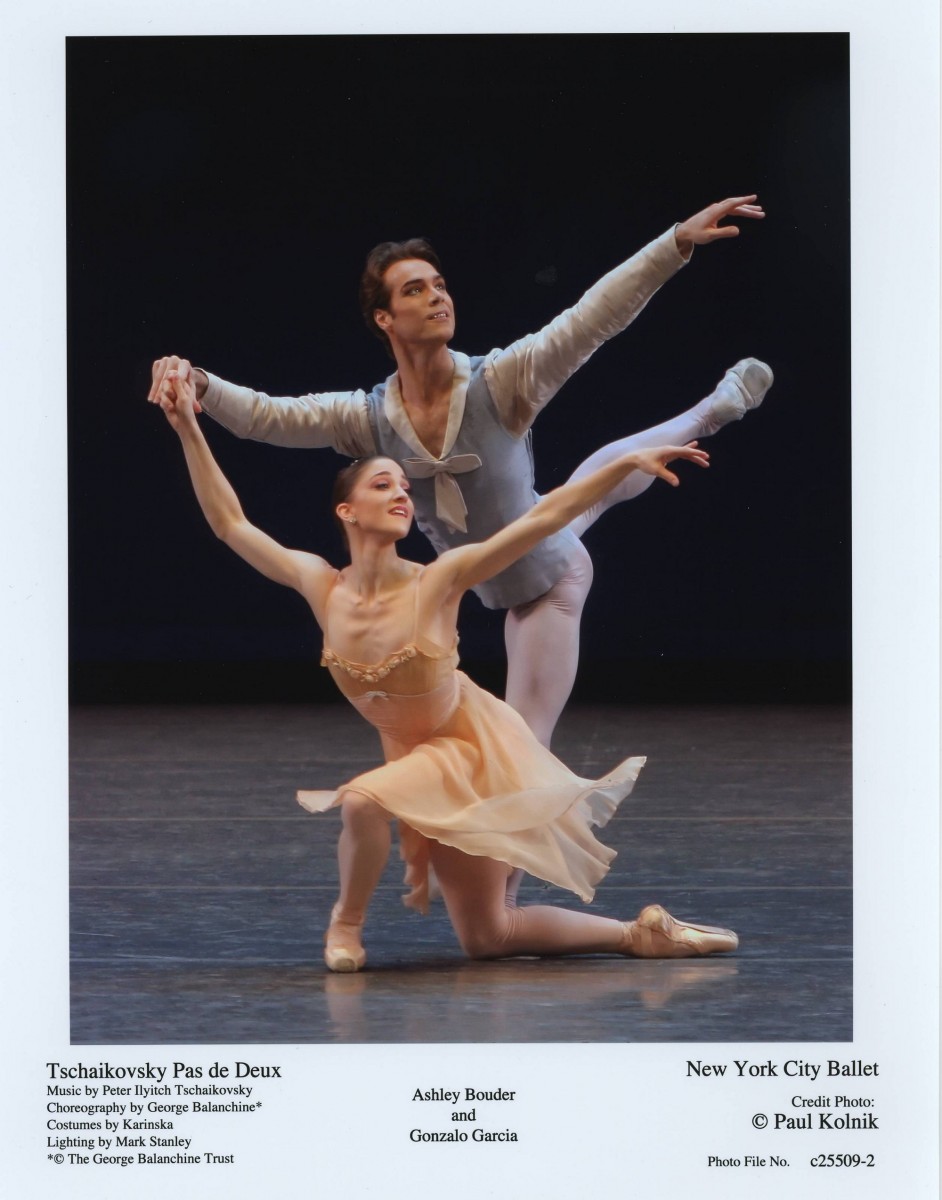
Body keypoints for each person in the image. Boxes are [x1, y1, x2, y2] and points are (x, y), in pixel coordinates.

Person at [157, 366, 739, 971]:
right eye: (383, 484)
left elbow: (539, 521)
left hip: (468, 756)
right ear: (347, 510)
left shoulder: (438, 580)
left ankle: (346, 926)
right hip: (416, 767)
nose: (402, 494)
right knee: (489, 935)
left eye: (404, 487)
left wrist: (622, 469)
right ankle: (640, 934)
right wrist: (187, 428)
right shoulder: (320, 585)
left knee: (360, 803)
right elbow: (230, 523)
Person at [148, 195, 773, 753]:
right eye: (415, 290)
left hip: (545, 583)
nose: (437, 297)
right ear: (384, 318)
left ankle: (707, 413)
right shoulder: (367, 418)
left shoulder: (502, 381)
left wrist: (675, 242)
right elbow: (267, 416)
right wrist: (198, 382)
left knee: (525, 748)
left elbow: (591, 319)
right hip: (515, 545)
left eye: (440, 285)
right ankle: (710, 410)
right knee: (576, 501)